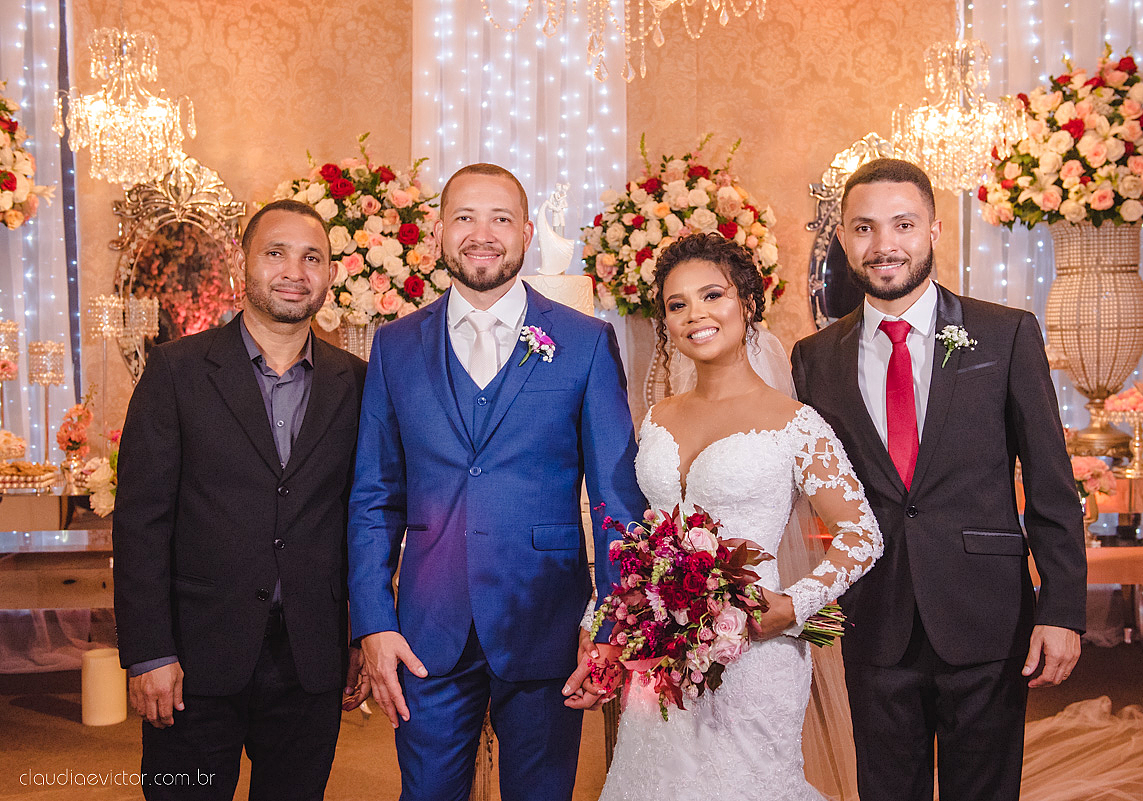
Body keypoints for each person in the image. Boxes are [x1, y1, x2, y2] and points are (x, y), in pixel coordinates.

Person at [791, 158, 1087, 801]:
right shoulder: (816, 357)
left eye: (903, 225)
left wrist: (1063, 607)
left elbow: (1050, 482)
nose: (884, 245)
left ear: (934, 230)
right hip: (876, 618)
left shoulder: (1004, 333)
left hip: (987, 612)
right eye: (865, 228)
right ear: (843, 238)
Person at [348, 163, 645, 801]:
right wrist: (374, 622)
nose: (482, 234)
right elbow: (375, 498)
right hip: (425, 630)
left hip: (549, 625)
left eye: (501, 218)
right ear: (438, 233)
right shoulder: (396, 346)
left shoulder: (585, 342)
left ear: (528, 232)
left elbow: (616, 499)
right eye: (465, 217)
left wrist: (613, 623)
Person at [597, 232, 884, 801]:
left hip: (755, 649)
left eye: (712, 296)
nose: (694, 315)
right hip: (663, 659)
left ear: (748, 303)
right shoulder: (657, 417)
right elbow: (643, 541)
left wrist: (794, 606)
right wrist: (607, 623)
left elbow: (863, 534)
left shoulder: (794, 422)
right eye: (677, 305)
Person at [113, 199, 370, 800]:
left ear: (330, 275)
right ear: (244, 266)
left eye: (313, 258)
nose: (294, 271)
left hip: (309, 658)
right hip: (194, 659)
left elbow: (364, 518)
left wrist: (359, 633)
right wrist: (149, 651)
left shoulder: (357, 383)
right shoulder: (175, 373)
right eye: (276, 253)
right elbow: (141, 525)